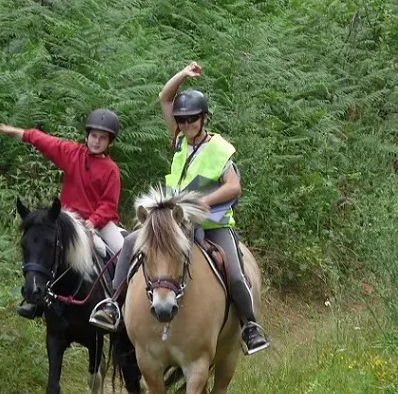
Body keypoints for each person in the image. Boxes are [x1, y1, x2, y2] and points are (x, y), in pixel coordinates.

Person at [89, 63, 270, 356]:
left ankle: (249, 326)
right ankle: (113, 303)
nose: (186, 125)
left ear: (204, 118)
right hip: (175, 221)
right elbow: (164, 97)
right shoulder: (180, 141)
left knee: (235, 273)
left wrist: (202, 202)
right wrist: (183, 76)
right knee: (131, 243)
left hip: (212, 223)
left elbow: (233, 186)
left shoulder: (219, 148)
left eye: (192, 120)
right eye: (182, 120)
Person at [0, 109, 123, 319]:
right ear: (87, 136)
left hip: (99, 223)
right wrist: (19, 132)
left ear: (109, 142)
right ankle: (37, 300)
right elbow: (46, 142)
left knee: (121, 251)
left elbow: (109, 204)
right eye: (93, 136)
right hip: (68, 222)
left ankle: (114, 304)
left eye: (102, 138)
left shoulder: (111, 170)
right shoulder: (72, 154)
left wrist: (92, 222)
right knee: (45, 252)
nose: (96, 141)